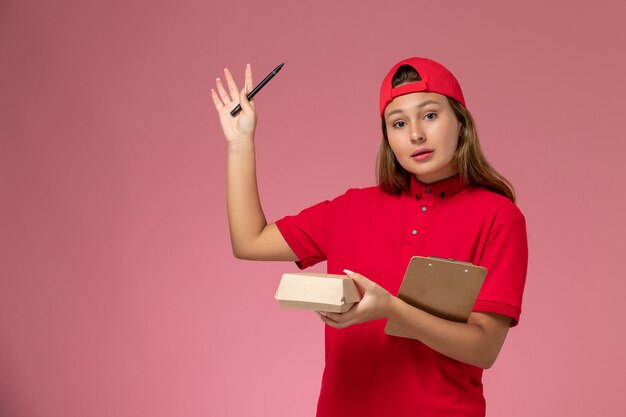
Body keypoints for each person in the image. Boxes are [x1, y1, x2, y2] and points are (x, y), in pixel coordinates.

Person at [211, 57, 528, 417]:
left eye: (430, 115)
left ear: (460, 121)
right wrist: (239, 144)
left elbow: (484, 348)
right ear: (387, 136)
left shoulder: (498, 217)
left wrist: (392, 308)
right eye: (398, 123)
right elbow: (249, 241)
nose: (415, 135)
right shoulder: (350, 209)